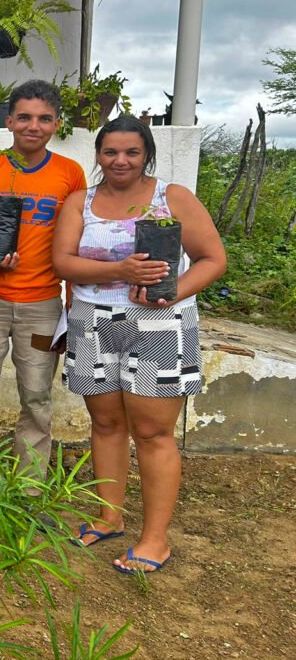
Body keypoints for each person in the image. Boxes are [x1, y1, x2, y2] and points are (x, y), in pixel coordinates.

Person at [52, 115, 226, 573]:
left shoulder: (173, 198)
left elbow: (213, 259)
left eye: (131, 152)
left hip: (160, 323)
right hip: (92, 320)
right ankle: (109, 516)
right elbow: (63, 262)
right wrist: (121, 272)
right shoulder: (81, 202)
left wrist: (172, 290)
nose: (121, 160)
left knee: (152, 432)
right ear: (98, 156)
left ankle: (155, 540)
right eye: (111, 152)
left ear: (147, 153)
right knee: (106, 424)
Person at [0, 80, 87, 476]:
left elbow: (77, 243)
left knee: (37, 398)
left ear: (57, 124)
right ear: (9, 121)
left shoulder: (70, 174)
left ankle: (29, 489)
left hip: (43, 307)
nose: (34, 126)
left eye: (45, 118)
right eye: (25, 117)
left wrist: (71, 308)